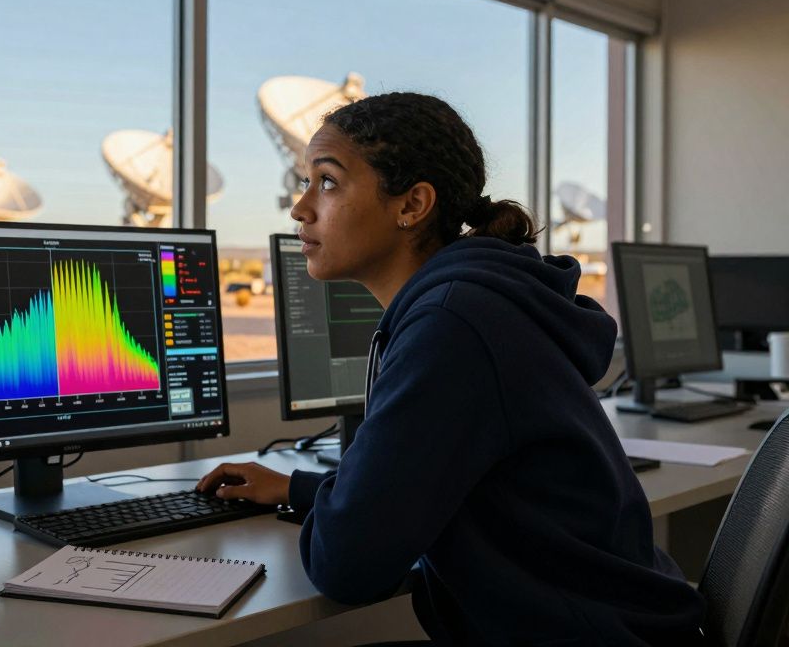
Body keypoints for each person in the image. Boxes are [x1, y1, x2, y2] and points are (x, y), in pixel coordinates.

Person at [196, 93, 706, 645]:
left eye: (328, 182)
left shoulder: (450, 325)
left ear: (412, 205)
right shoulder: (473, 301)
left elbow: (347, 567)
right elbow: (441, 482)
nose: (300, 209)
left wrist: (339, 509)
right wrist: (302, 487)